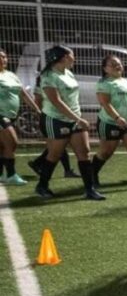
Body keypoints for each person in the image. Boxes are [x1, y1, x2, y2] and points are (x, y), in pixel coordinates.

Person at [32, 45, 103, 200]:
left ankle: (89, 189)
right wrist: (77, 119)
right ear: (64, 57)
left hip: (74, 119)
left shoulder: (68, 73)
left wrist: (77, 117)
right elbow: (56, 102)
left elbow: (72, 99)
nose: (74, 58)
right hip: (56, 120)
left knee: (84, 152)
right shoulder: (49, 76)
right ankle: (42, 186)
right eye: (72, 55)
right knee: (54, 154)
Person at [91, 55, 127, 191]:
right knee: (106, 152)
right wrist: (117, 118)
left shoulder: (126, 82)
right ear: (105, 69)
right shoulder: (104, 83)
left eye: (119, 64)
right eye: (112, 64)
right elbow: (104, 103)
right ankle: (92, 175)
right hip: (110, 122)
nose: (117, 66)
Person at [0, 47, 43, 185]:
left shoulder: (11, 75)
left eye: (5, 56)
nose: (3, 59)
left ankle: (1, 174)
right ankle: (11, 175)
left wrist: (36, 109)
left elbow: (23, 93)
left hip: (12, 115)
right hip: (1, 115)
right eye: (0, 57)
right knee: (12, 142)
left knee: (3, 146)